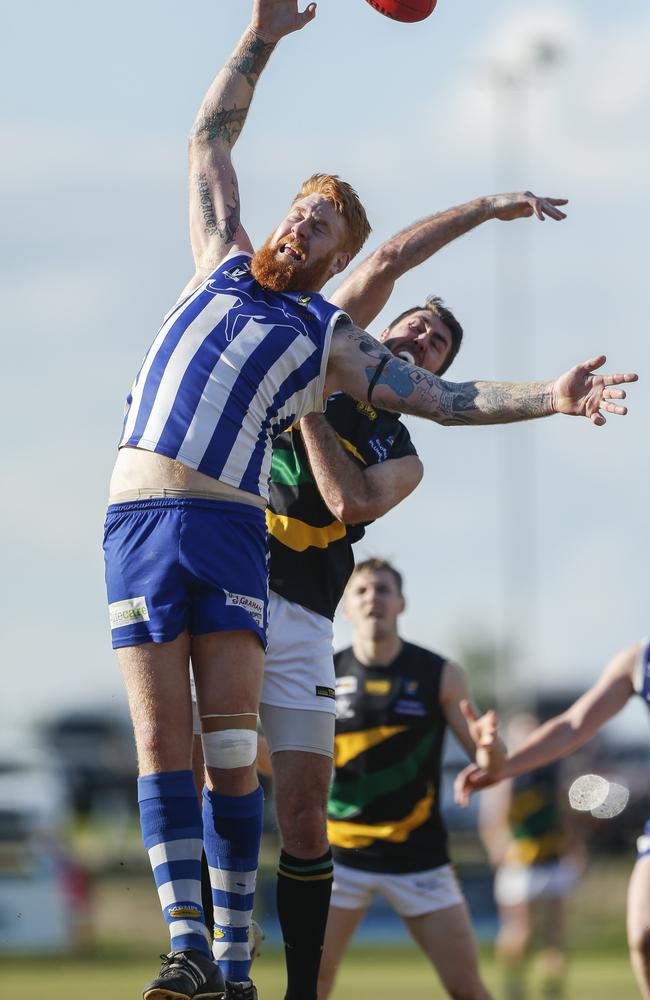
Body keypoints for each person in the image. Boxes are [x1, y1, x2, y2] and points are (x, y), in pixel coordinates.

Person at [103, 1, 637, 997]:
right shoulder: (223, 259)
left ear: (337, 261)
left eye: (328, 223)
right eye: (303, 205)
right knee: (164, 743)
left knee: (248, 768)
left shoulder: (330, 346)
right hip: (157, 519)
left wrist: (547, 398)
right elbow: (211, 136)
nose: (307, 219)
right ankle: (192, 949)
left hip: (258, 560)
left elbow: (443, 406)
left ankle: (242, 968)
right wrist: (262, 34)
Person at [193, 184, 572, 1000]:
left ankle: (280, 978)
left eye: (437, 344)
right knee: (214, 762)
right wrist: (487, 208)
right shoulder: (331, 335)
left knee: (299, 812)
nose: (424, 338)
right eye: (418, 326)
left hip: (302, 612)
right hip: (236, 573)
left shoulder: (403, 448)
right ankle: (207, 938)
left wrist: (306, 414)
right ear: (386, 329)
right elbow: (393, 256)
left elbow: (350, 503)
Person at [311, 558, 501, 1000]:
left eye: (382, 589)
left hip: (419, 855)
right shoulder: (321, 673)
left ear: (401, 603)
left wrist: (491, 747)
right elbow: (282, 761)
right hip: (338, 856)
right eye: (361, 591)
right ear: (346, 608)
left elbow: (491, 764)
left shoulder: (439, 673)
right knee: (310, 986)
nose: (372, 598)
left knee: (468, 989)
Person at [454, 640, 650, 999]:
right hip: (523, 859)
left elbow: (567, 815)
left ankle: (549, 990)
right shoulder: (639, 661)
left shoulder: (556, 782)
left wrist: (573, 847)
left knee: (553, 935)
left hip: (553, 857)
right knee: (644, 934)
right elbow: (573, 725)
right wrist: (503, 767)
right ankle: (517, 988)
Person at [478, 713, 583, 1000]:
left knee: (525, 932)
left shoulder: (507, 774)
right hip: (539, 860)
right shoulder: (553, 770)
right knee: (548, 935)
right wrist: (574, 849)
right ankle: (540, 989)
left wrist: (497, 850)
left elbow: (492, 820)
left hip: (530, 862)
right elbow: (568, 815)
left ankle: (519, 988)